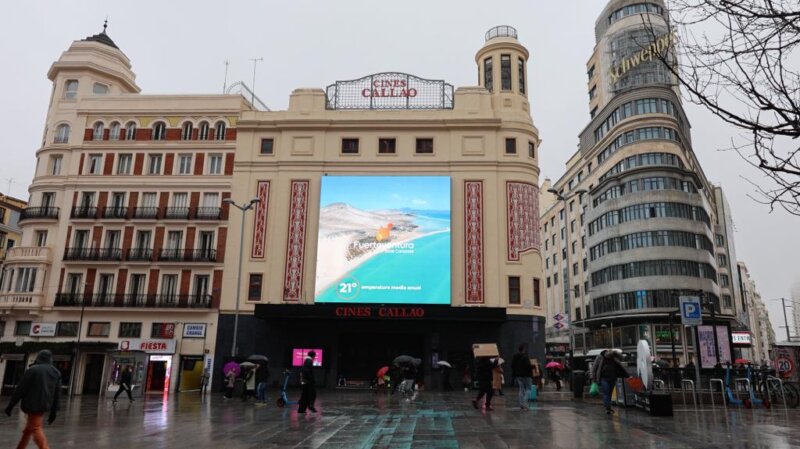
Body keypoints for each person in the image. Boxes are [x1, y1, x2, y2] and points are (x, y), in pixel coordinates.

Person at [4, 349, 61, 449]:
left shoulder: (32, 370)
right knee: (29, 429)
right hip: (45, 404)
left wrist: (11, 405)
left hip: (32, 404)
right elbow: (57, 393)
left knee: (35, 428)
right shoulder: (56, 372)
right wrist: (54, 412)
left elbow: (21, 389)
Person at [592, 349, 628, 415]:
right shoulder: (599, 358)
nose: (610, 357)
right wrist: (594, 379)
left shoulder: (614, 358)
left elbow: (622, 358)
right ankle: (607, 408)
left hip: (613, 378)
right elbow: (594, 368)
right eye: (609, 356)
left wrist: (616, 353)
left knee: (610, 393)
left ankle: (608, 406)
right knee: (606, 392)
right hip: (603, 378)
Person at [511, 345, 533, 410]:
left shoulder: (514, 357)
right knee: (529, 388)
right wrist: (533, 367)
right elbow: (528, 366)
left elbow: (512, 365)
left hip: (518, 376)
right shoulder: (525, 357)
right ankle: (525, 403)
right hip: (526, 375)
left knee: (521, 389)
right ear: (523, 350)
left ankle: (521, 404)